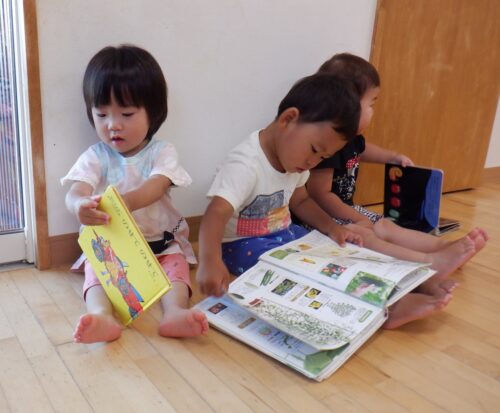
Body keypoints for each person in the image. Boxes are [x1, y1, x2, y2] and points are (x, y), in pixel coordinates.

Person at [195, 73, 464, 329]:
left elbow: (301, 202)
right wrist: (210, 260)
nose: (313, 162)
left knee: (344, 255)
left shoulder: (294, 161)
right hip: (242, 245)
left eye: (322, 158)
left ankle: (413, 282)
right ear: (288, 119)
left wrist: (333, 228)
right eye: (314, 149)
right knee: (308, 276)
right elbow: (215, 213)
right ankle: (391, 309)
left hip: (286, 235)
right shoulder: (246, 164)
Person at [306, 54, 488, 302]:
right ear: (347, 105)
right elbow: (319, 194)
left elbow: (363, 150)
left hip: (347, 209)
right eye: (371, 104)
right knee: (368, 236)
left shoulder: (350, 139)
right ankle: (429, 262)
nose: (373, 111)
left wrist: (391, 157)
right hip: (324, 218)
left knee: (387, 226)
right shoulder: (328, 144)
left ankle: (443, 248)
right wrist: (357, 218)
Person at [61, 45, 208, 344]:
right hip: (113, 251)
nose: (113, 125)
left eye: (126, 114)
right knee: (96, 272)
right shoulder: (96, 156)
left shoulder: (162, 152)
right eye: (102, 114)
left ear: (153, 113)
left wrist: (125, 203)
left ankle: (175, 312)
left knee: (176, 267)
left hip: (159, 245)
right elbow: (76, 190)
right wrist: (78, 205)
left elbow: (158, 185)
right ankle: (101, 315)